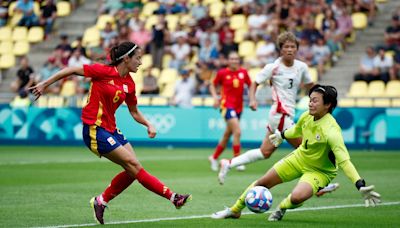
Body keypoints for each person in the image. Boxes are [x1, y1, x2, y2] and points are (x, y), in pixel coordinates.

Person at [29, 41, 192, 225]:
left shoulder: (129, 84)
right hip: (94, 129)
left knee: (133, 170)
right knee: (133, 165)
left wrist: (148, 124)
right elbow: (72, 70)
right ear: (126, 58)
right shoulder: (103, 72)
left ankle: (101, 201)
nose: (140, 63)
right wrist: (45, 84)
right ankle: (173, 197)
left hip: (111, 129)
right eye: (137, 58)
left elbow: (134, 111)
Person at [212, 84, 381, 221]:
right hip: (299, 158)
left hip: (320, 171)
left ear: (327, 105)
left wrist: (360, 184)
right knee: (262, 182)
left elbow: (344, 161)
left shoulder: (332, 131)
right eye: (310, 100)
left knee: (297, 198)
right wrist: (282, 135)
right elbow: (296, 130)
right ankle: (235, 210)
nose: (310, 104)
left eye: (315, 101)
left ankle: (283, 207)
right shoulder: (307, 116)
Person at [217, 31, 315, 184]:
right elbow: (255, 83)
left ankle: (229, 163)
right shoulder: (273, 67)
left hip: (283, 115)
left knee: (265, 152)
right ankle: (318, 183)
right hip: (280, 114)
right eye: (286, 47)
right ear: (280, 49)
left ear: (297, 49)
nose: (289, 49)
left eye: (293, 47)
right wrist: (252, 100)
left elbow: (310, 85)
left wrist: (322, 96)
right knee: (305, 148)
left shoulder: (301, 67)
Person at [208, 52, 251, 172]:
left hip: (239, 107)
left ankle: (213, 157)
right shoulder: (222, 73)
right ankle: (238, 161)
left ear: (239, 60)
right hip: (226, 106)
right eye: (232, 59)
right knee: (237, 131)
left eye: (236, 59)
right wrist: (215, 98)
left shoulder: (243, 72)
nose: (234, 61)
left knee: (228, 134)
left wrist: (252, 99)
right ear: (228, 60)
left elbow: (251, 85)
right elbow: (212, 84)